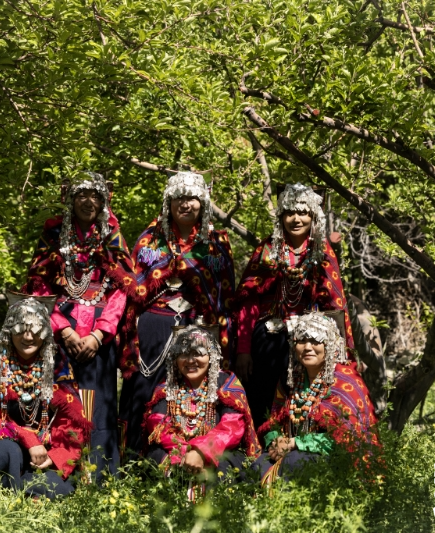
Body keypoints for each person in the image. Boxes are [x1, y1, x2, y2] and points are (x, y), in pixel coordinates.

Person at [23, 171, 133, 478]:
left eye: (95, 196)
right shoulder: (53, 234)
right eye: (81, 195)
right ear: (69, 199)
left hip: (99, 335)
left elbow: (122, 288)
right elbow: (38, 284)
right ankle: (58, 472)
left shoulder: (112, 236)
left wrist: (100, 334)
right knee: (59, 399)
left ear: (104, 200)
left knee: (98, 406)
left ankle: (98, 476)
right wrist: (63, 328)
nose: (89, 202)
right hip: (60, 333)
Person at [118, 171, 235, 457]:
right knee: (145, 391)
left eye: (192, 198)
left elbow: (225, 298)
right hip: (153, 330)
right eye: (178, 198)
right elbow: (133, 291)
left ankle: (192, 457)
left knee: (192, 395)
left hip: (199, 330)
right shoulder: (149, 240)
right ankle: (138, 460)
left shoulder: (217, 244)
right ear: (168, 203)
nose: (185, 204)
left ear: (203, 203)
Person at [234, 183, 353, 429]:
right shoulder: (268, 249)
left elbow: (334, 304)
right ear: (281, 216)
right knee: (263, 388)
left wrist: (340, 351)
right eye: (290, 213)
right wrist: (243, 350)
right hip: (269, 335)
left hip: (311, 336)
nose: (296, 219)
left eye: (303, 213)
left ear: (313, 216)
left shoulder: (322, 252)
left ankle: (302, 438)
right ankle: (263, 438)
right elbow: (249, 300)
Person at [0, 294, 91, 498]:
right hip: (0, 445)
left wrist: (55, 457)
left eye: (35, 330)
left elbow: (71, 423)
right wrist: (28, 439)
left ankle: (11, 489)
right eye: (21, 329)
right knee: (8, 451)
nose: (28, 337)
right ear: (10, 330)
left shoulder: (58, 366)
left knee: (58, 490)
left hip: (42, 455)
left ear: (45, 333)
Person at [254, 312, 380, 486]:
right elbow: (274, 420)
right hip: (290, 452)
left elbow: (348, 438)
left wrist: (296, 443)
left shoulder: (344, 383)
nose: (307, 347)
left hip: (332, 458)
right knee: (257, 466)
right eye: (301, 340)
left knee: (293, 462)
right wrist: (276, 441)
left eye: (315, 340)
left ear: (330, 344)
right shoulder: (290, 381)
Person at [143, 325, 260, 480]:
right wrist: (184, 453)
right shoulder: (167, 387)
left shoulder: (226, 383)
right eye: (183, 354)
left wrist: (200, 452)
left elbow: (232, 427)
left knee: (226, 463)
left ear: (211, 355)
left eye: (198, 353)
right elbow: (158, 425)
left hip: (215, 453)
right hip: (176, 453)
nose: (190, 360)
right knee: (155, 457)